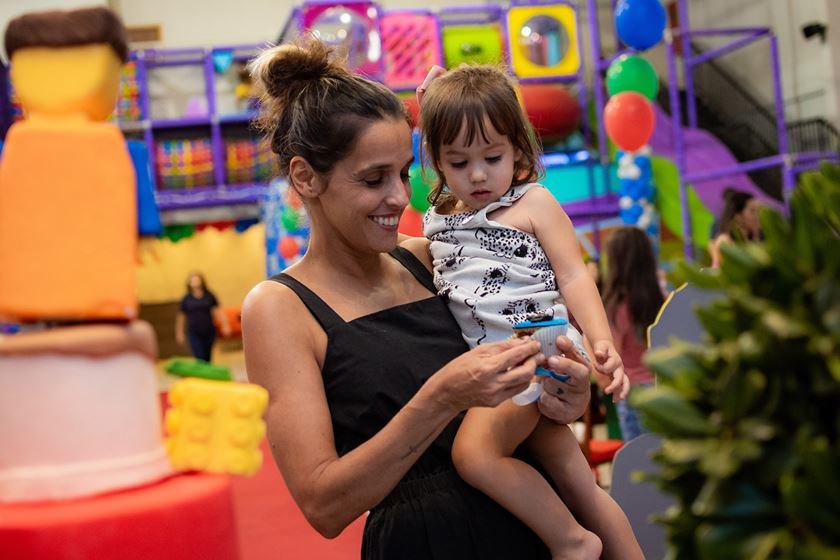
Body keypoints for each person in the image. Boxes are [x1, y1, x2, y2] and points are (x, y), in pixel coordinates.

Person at [240, 41, 595, 560]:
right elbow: (323, 505)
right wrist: (441, 398)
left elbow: (530, 393)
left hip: (539, 529)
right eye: (373, 179)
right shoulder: (280, 308)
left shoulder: (437, 259)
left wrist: (568, 393)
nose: (400, 197)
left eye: (405, 173)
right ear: (305, 177)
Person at [418, 64, 641, 560]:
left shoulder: (532, 203)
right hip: (497, 363)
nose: (477, 174)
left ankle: (571, 542)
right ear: (435, 160)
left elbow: (575, 275)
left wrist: (601, 340)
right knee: (581, 486)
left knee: (475, 456)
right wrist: (430, 106)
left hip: (533, 347)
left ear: (518, 147)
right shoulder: (438, 220)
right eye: (458, 162)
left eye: (492, 157)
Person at [601, 226, 665, 441]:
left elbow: (611, 357)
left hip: (632, 391)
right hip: (664, 387)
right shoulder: (662, 300)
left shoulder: (616, 307)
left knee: (640, 461)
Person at [175, 272, 230, 362]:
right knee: (199, 354)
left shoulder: (209, 295)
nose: (195, 282)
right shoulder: (186, 298)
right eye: (192, 280)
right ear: (189, 283)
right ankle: (201, 373)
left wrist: (225, 325)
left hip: (208, 330)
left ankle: (207, 374)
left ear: (201, 281)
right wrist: (179, 332)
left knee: (207, 355)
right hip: (194, 331)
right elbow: (181, 317)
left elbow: (218, 311)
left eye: (197, 280)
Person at [708, 188, 762, 268]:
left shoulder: (757, 235)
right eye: (752, 211)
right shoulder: (725, 241)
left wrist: (756, 234)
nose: (758, 215)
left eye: (759, 210)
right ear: (738, 216)